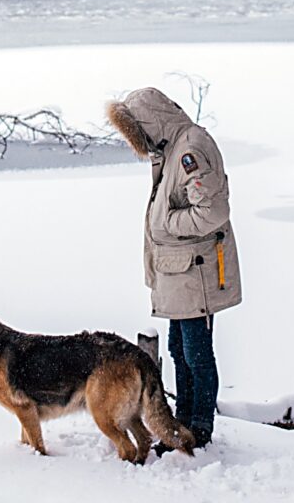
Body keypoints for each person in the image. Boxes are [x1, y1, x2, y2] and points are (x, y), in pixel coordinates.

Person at [107, 87, 241, 452]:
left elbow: (213, 213)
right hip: (178, 273)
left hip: (195, 272)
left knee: (196, 352)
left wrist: (166, 224)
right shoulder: (171, 149)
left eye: (137, 131)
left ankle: (201, 425)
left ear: (151, 121)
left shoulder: (189, 150)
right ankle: (183, 422)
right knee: (180, 350)